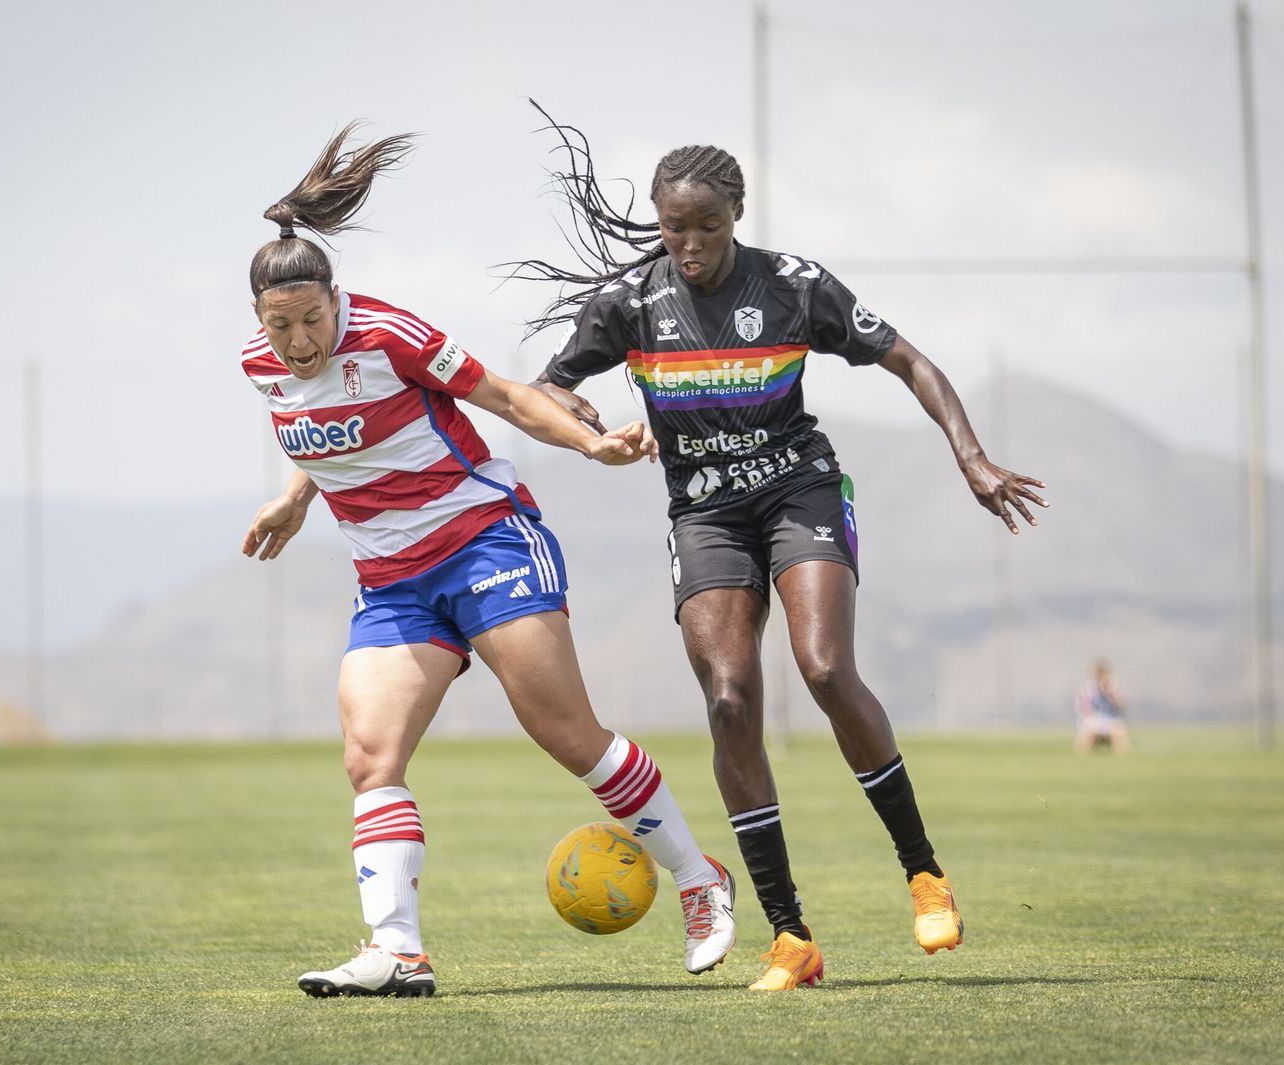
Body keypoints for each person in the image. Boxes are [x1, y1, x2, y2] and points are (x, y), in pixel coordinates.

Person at [508, 108, 1049, 991]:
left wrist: (973, 458)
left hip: (799, 491)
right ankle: (791, 937)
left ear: (738, 214)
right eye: (674, 227)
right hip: (705, 516)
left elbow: (911, 361)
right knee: (729, 700)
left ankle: (923, 872)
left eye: (707, 226)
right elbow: (543, 390)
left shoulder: (795, 286)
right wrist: (590, 429)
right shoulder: (631, 303)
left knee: (825, 667)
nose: (689, 244)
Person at [238, 123, 736, 999]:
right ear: (258, 321)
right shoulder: (261, 366)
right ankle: (397, 951)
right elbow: (329, 427)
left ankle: (700, 879)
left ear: (336, 299)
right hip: (391, 582)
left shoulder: (390, 334)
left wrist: (588, 443)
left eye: (313, 319)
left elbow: (505, 397)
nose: (301, 341)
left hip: (484, 543)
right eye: (281, 326)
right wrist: (297, 494)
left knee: (567, 735)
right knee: (370, 754)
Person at [1075, 659, 1131, 754]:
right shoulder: (1088, 689)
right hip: (1094, 719)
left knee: (1119, 734)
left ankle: (1122, 759)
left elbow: (1122, 706)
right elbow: (1083, 709)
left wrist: (1109, 693)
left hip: (1111, 720)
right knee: (1087, 735)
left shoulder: (1114, 687)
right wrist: (1090, 719)